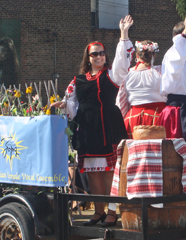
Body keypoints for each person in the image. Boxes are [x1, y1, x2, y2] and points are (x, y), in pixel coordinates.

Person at [51, 15, 134, 227]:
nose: (99, 57)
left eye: (102, 53)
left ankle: (112, 212)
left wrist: (124, 34)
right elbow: (71, 100)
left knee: (109, 172)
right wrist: (64, 105)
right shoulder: (78, 80)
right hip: (88, 128)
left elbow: (123, 63)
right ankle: (98, 212)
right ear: (88, 58)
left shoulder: (112, 75)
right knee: (94, 174)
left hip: (108, 125)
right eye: (94, 54)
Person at [159, 7, 186, 227]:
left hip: (184, 112)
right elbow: (177, 55)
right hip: (177, 114)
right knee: (179, 163)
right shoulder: (174, 55)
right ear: (180, 37)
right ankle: (180, 212)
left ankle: (184, 211)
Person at [116, 40, 166, 138]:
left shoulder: (127, 74)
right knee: (157, 151)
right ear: (153, 55)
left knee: (134, 152)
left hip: (133, 118)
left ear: (137, 56)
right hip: (158, 117)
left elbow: (121, 101)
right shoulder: (161, 71)